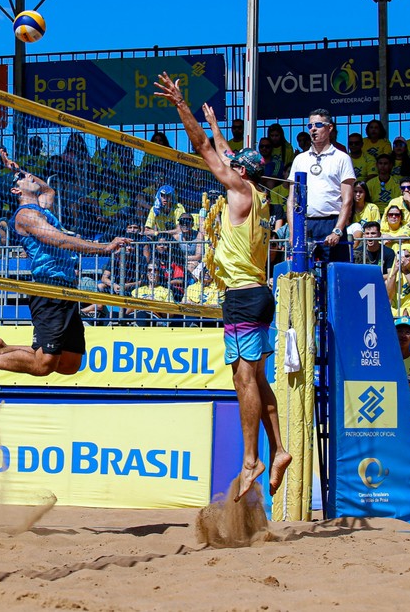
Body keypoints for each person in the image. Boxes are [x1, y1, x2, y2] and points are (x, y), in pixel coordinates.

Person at [154, 73, 291, 501]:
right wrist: (216, 125)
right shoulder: (256, 193)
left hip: (244, 295)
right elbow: (225, 152)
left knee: (244, 380)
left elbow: (203, 149)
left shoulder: (240, 190)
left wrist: (182, 105)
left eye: (233, 165)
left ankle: (251, 460)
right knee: (255, 378)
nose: (226, 166)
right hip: (253, 293)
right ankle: (279, 450)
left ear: (241, 173)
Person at [0, 149, 130, 386]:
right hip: (48, 288)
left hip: (66, 287)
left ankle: (0, 349)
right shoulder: (25, 216)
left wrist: (19, 170)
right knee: (44, 364)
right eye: (23, 179)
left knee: (70, 363)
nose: (31, 177)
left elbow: (49, 190)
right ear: (16, 191)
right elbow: (60, 240)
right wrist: (104, 248)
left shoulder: (42, 207)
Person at [287, 109, 356, 263]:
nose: (313, 129)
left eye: (318, 125)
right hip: (305, 223)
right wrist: (293, 231)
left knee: (334, 271)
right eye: (310, 126)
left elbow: (347, 200)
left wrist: (337, 231)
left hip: (331, 221)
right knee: (302, 271)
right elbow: (291, 199)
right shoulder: (300, 159)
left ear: (329, 128)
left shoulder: (342, 158)